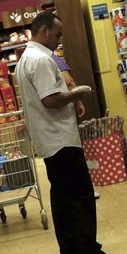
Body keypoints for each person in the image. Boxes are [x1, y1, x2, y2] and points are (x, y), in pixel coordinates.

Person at [16, 11, 125, 254]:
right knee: (81, 195)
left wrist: (69, 97)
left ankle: (70, 253)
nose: (59, 39)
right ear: (44, 32)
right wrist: (77, 92)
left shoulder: (25, 59)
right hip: (61, 139)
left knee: (63, 198)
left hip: (48, 139)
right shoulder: (42, 60)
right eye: (57, 34)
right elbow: (50, 100)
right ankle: (90, 253)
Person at [51, 52, 100, 200]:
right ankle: (85, 190)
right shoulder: (53, 57)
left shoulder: (32, 58)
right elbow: (69, 82)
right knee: (73, 153)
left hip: (50, 124)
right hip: (64, 113)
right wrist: (78, 99)